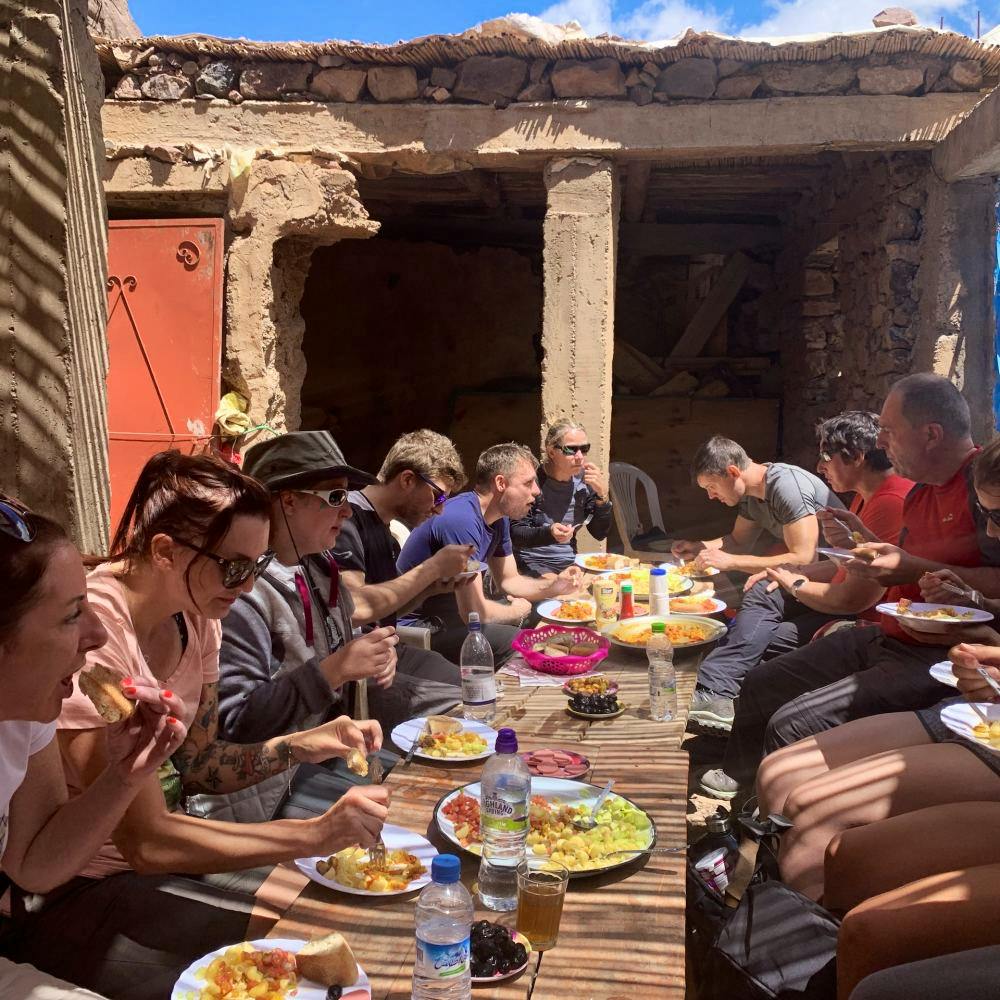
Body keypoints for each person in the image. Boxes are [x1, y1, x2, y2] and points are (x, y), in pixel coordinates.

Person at [18, 453, 389, 999]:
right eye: (235, 566)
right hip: (76, 893)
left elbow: (200, 767)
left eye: (259, 567)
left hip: (149, 869)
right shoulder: (93, 641)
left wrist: (300, 745)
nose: (245, 586)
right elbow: (146, 841)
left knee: (328, 919)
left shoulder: (197, 614)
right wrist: (314, 835)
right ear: (166, 551)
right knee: (293, 955)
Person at [718, 374, 1000, 794]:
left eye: (888, 431)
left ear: (931, 434)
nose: (880, 443)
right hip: (888, 635)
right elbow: (904, 559)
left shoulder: (982, 489)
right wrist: (861, 540)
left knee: (792, 722)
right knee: (763, 682)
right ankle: (737, 788)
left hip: (941, 657)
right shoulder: (921, 490)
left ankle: (768, 831)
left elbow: (974, 578)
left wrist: (910, 569)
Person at [213, 431, 462, 820]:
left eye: (346, 496)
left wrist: (372, 654)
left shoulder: (317, 567)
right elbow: (237, 722)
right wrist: (336, 669)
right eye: (334, 497)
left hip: (328, 751)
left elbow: (338, 639)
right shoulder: (244, 593)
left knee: (435, 781)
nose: (346, 511)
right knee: (400, 814)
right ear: (289, 502)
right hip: (268, 787)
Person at [0, 495, 187, 998]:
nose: (97, 634)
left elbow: (34, 864)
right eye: (71, 616)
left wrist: (123, 776)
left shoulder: (23, 712)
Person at [697, 412, 912, 796]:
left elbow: (851, 595)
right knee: (754, 630)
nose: (819, 466)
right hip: (855, 612)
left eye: (827, 456)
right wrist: (787, 577)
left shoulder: (889, 502)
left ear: (858, 456)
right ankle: (719, 712)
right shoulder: (867, 501)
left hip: (867, 625)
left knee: (762, 649)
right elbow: (840, 565)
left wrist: (793, 582)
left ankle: (720, 706)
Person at [397, 443, 583, 664]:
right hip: (423, 628)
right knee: (533, 645)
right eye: (528, 483)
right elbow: (474, 612)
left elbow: (509, 580)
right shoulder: (462, 520)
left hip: (456, 618)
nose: (537, 491)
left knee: (548, 622)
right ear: (501, 483)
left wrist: (555, 587)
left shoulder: (499, 517)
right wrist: (516, 612)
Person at [330, 429, 475, 675]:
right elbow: (354, 609)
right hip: (356, 667)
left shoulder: (386, 530)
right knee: (469, 692)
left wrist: (431, 589)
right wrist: (433, 567)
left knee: (473, 684)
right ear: (407, 479)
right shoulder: (348, 521)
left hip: (387, 652)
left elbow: (384, 609)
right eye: (438, 496)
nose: (439, 510)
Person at [672, 434, 843, 579]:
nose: (711, 496)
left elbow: (806, 559)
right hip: (802, 576)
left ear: (733, 472)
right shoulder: (749, 495)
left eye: (712, 487)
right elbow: (738, 541)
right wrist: (697, 548)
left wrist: (732, 561)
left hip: (840, 577)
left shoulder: (786, 486)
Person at [510, 419, 613, 576]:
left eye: (584, 449)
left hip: (570, 561)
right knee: (562, 592)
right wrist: (549, 533)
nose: (579, 457)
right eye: (571, 450)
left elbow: (599, 533)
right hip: (532, 561)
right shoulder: (533, 481)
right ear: (551, 452)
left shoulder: (586, 481)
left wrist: (602, 496)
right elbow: (517, 532)